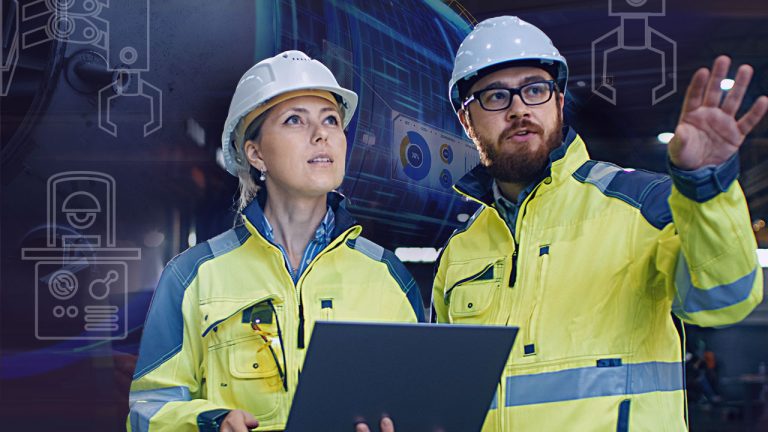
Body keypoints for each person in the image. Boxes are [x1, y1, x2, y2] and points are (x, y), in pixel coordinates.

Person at [433, 16, 766, 431]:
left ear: (557, 102)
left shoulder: (643, 206)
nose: (518, 109)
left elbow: (726, 299)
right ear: (466, 120)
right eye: (495, 97)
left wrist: (705, 188)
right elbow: (448, 393)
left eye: (534, 90)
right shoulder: (461, 251)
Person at [127, 50, 424, 432]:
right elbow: (148, 410)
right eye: (294, 120)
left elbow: (420, 401)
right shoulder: (192, 278)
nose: (321, 135)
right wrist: (210, 424)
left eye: (331, 120)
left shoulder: (389, 277)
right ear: (256, 154)